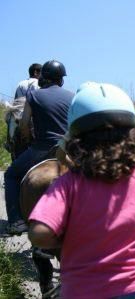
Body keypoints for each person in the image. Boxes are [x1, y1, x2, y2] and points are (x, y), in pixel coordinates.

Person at [28, 82, 135, 299]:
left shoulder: (67, 184)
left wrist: (75, 239)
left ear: (76, 140)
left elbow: (38, 234)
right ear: (133, 135)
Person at [3, 60, 74, 235]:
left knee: (10, 175)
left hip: (42, 148)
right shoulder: (72, 96)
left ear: (43, 78)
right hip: (68, 149)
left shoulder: (33, 96)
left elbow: (25, 124)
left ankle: (16, 221)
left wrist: (27, 137)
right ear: (61, 79)